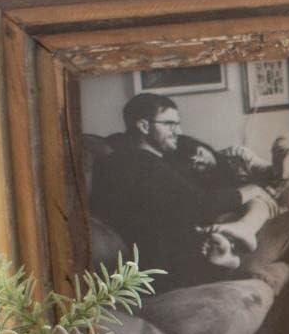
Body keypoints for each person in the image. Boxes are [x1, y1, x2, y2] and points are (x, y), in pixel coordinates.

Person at [90, 93, 278, 290]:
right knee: (267, 203)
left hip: (191, 242)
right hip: (169, 262)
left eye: (178, 124)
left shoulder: (154, 160)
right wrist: (251, 190)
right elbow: (197, 205)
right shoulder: (136, 162)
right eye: (170, 124)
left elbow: (189, 199)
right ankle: (233, 250)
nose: (178, 131)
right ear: (144, 126)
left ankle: (238, 243)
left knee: (262, 202)